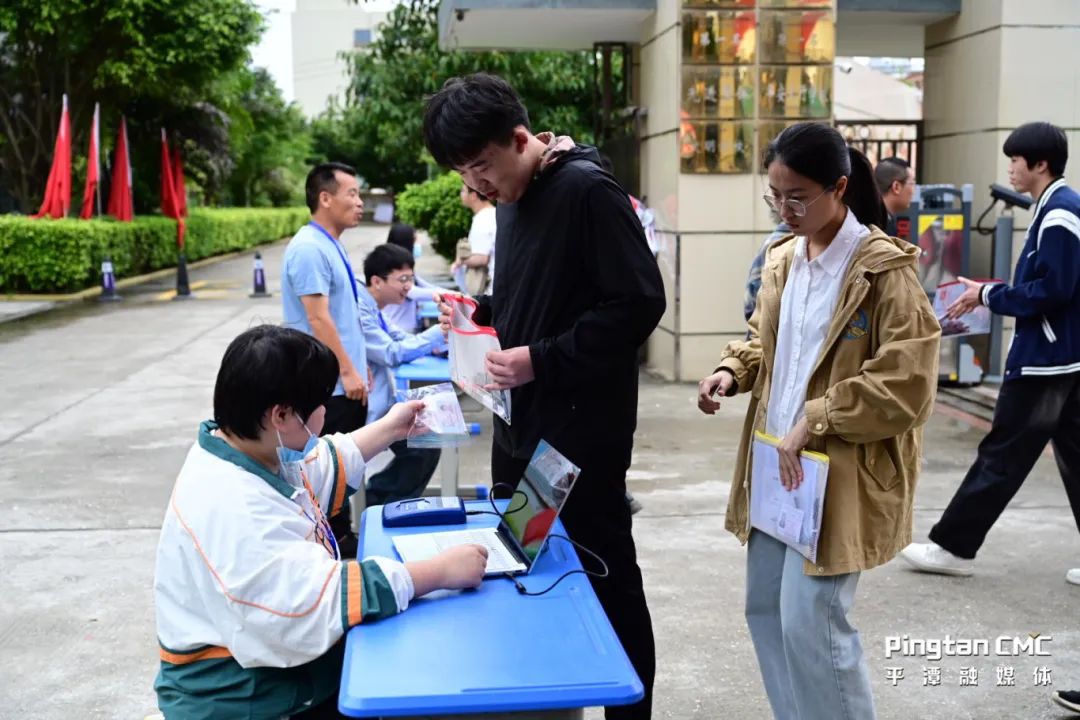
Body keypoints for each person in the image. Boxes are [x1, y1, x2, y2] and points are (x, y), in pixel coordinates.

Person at [423, 73, 665, 720]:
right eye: (465, 174)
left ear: (521, 138)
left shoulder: (586, 191)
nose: (477, 187)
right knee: (530, 568)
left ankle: (626, 708)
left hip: (578, 436)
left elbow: (639, 301)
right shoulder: (512, 198)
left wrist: (542, 359)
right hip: (522, 428)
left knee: (600, 574)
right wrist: (478, 311)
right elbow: (534, 300)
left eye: (482, 168)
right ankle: (549, 695)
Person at [696, 122, 940, 720]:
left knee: (815, 624)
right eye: (775, 196)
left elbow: (909, 379)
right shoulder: (783, 258)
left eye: (797, 197)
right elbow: (765, 339)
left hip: (839, 473)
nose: (784, 209)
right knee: (766, 613)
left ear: (839, 187)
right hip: (776, 465)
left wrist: (824, 415)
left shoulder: (883, 270)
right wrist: (733, 370)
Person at [153, 324, 487, 720]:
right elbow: (318, 601)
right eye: (318, 404)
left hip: (267, 665)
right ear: (279, 415)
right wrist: (438, 571)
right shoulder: (234, 506)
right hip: (246, 698)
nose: (325, 412)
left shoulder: (245, 452)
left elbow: (319, 466)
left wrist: (394, 427)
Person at [900, 122, 1080, 583]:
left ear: (1040, 164)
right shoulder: (1059, 206)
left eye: (1016, 161)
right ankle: (952, 546)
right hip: (1065, 357)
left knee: (1002, 454)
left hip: (1047, 360)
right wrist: (990, 292)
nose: (1011, 169)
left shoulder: (1060, 213)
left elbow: (1053, 290)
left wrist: (989, 297)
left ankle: (952, 547)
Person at [281, 162, 372, 556]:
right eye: (351, 194)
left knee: (343, 474)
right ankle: (334, 555)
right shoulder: (308, 248)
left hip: (344, 382)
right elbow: (317, 317)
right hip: (329, 386)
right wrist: (348, 371)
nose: (359, 202)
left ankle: (342, 540)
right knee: (327, 476)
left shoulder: (330, 243)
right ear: (325, 198)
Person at [358, 243, 448, 506]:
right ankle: (379, 500)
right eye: (403, 279)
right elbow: (391, 352)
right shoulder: (361, 311)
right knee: (426, 443)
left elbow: (399, 338)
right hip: (369, 409)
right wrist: (435, 334)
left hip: (385, 400)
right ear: (376, 281)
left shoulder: (374, 308)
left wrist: (434, 344)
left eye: (411, 278)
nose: (409, 286)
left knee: (429, 442)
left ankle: (384, 499)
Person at [382, 224, 445, 333]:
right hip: (397, 331)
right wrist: (449, 295)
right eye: (414, 241)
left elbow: (426, 286)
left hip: (408, 330)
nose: (417, 245)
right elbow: (413, 292)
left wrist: (451, 293)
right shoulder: (391, 267)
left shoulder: (405, 267)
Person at [452, 184, 496, 295]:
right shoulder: (493, 213)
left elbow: (481, 258)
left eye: (463, 191)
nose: (460, 194)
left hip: (489, 287)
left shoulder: (482, 219)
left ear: (473, 196)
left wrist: (459, 262)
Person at [874, 156, 915, 237]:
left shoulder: (881, 218)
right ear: (896, 187)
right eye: (912, 183)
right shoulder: (880, 227)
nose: (914, 191)